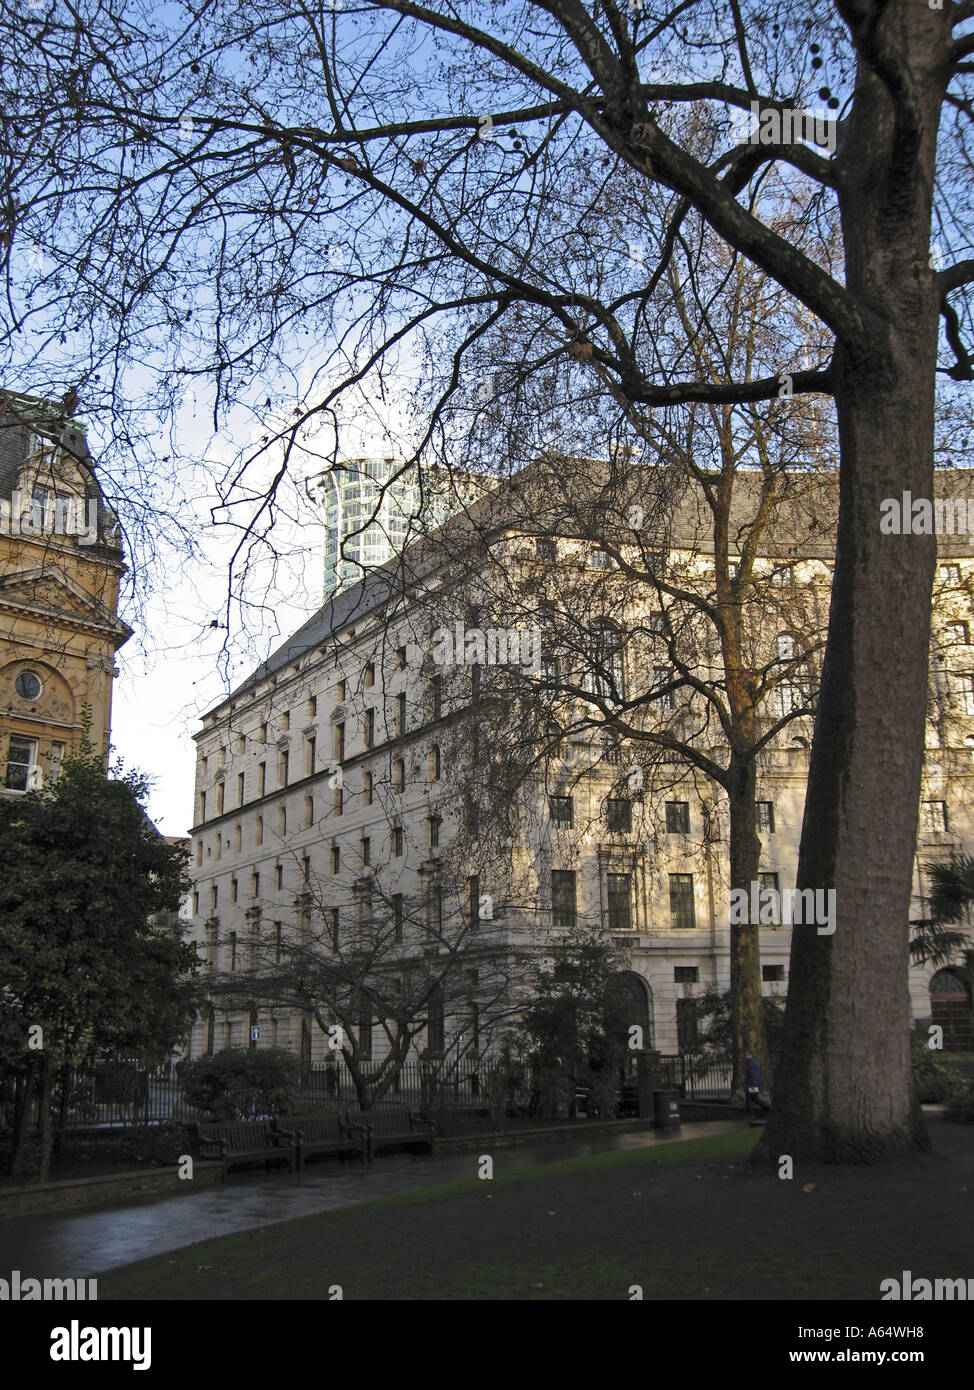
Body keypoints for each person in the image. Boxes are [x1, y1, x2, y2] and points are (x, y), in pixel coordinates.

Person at [744, 1051, 770, 1119]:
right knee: (754, 1098)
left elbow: (753, 1075)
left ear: (750, 1055)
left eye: (747, 1055)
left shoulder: (751, 1063)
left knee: (749, 1098)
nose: (745, 1057)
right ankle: (767, 1108)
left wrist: (753, 1085)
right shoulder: (754, 1062)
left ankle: (751, 1114)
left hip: (752, 1085)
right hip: (754, 1084)